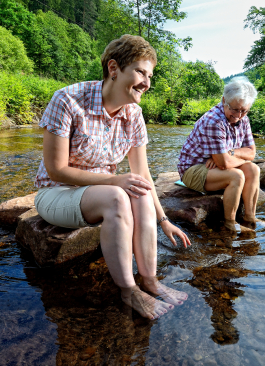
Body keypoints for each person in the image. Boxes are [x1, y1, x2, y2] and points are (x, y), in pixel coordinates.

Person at [34, 34, 191, 320]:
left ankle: (150, 280)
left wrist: (163, 220)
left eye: (150, 75)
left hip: (98, 193)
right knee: (119, 195)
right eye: (141, 72)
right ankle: (127, 290)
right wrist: (113, 180)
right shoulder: (68, 99)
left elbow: (142, 173)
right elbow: (56, 169)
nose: (147, 82)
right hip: (56, 192)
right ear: (114, 68)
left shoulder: (134, 114)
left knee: (139, 188)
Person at [177, 79, 262, 233]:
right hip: (193, 169)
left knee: (253, 169)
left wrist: (231, 153)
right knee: (236, 176)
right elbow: (224, 164)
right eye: (235, 109)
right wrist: (224, 159)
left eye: (244, 111)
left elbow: (251, 152)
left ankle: (250, 217)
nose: (238, 116)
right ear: (224, 100)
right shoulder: (213, 120)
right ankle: (230, 223)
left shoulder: (244, 119)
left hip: (215, 166)